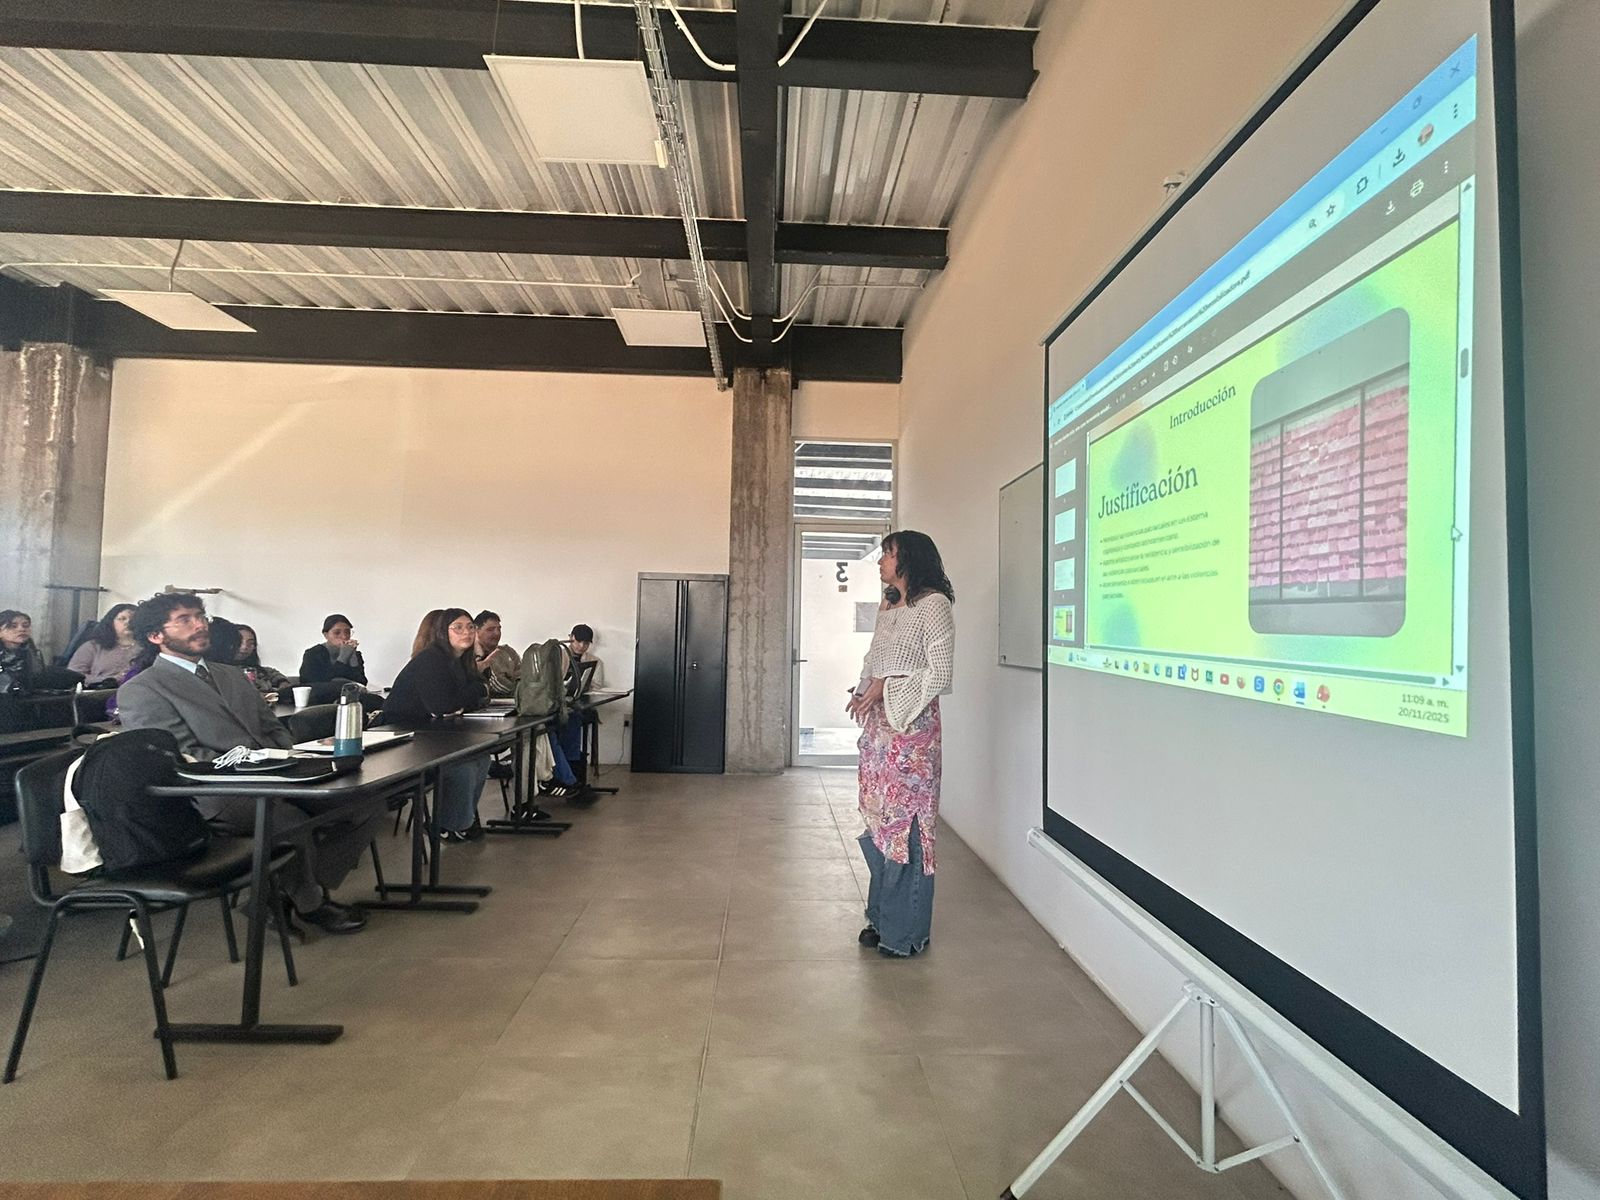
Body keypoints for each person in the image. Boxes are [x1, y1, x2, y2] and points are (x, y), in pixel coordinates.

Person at [115, 593, 372, 934]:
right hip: (214, 792)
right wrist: (255, 765)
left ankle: (277, 895)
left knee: (362, 803)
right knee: (289, 822)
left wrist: (288, 758)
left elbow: (272, 726)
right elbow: (182, 756)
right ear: (155, 635)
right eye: (185, 620)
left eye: (200, 617)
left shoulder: (231, 674)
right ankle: (311, 904)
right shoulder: (143, 688)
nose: (199, 625)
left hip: (277, 774)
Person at [847, 530, 955, 958]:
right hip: (880, 735)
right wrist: (863, 690)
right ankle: (880, 918)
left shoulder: (934, 605)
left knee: (907, 828)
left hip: (912, 734)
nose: (880, 562)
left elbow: (940, 672)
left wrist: (887, 690)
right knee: (880, 823)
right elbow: (874, 659)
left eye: (887, 554)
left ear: (909, 558)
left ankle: (904, 932)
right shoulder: (889, 605)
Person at [384, 608, 492, 841]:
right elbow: (444, 704)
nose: (467, 632)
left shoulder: (459, 660)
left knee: (482, 758)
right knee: (461, 766)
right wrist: (467, 697)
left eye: (470, 627)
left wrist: (467, 696)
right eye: (458, 627)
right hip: (402, 737)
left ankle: (461, 821)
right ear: (444, 632)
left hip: (431, 731)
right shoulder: (431, 659)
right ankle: (448, 826)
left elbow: (480, 692)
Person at [66, 603, 140, 686]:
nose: (128, 622)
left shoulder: (147, 648)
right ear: (111, 623)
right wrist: (110, 680)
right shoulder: (93, 646)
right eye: (122, 619)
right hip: (98, 691)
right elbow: (72, 675)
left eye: (133, 619)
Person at [299, 614, 367, 686]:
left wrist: (353, 656)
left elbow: (362, 683)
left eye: (347, 632)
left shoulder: (355, 654)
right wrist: (343, 657)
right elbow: (323, 682)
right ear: (326, 635)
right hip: (321, 692)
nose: (344, 636)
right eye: (337, 633)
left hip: (347, 692)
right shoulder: (313, 654)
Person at [473, 610, 520, 697]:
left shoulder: (508, 651)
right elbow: (495, 686)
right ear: (476, 631)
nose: (497, 633)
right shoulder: (470, 656)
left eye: (499, 629)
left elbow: (523, 678)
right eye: (490, 630)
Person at [0, 610, 46, 695]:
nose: (21, 629)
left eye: (26, 626)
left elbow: (38, 677)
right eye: (13, 626)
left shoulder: (32, 652)